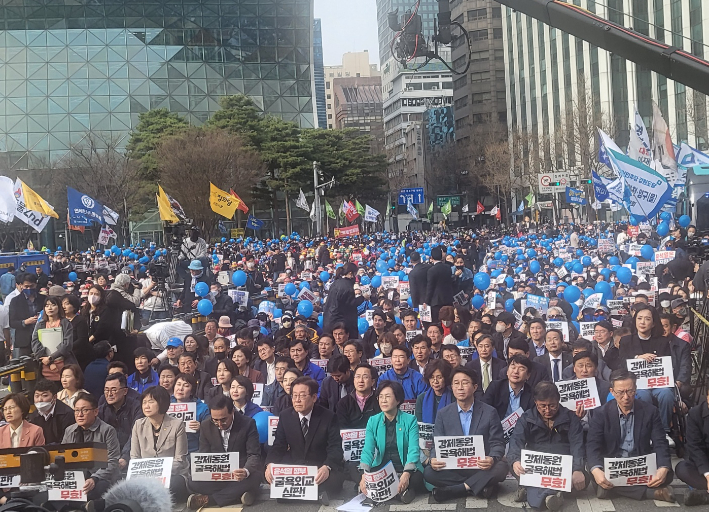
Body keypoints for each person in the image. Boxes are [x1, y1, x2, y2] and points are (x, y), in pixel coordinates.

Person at [586, 370, 675, 502]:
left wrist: (663, 468)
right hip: (614, 464)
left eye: (630, 391)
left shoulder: (650, 411)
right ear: (612, 391)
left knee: (667, 474)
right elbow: (592, 444)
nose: (626, 397)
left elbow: (660, 442)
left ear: (636, 389)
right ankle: (652, 493)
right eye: (620, 392)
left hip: (640, 463)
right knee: (593, 471)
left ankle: (610, 490)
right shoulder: (601, 413)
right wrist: (597, 470)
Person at [423, 367, 509, 501]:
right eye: (456, 383)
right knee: (429, 472)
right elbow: (437, 443)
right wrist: (434, 458)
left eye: (465, 383)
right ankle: (479, 486)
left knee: (501, 467)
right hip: (453, 467)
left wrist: (492, 458)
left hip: (481, 467)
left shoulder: (489, 412)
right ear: (451, 387)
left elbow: (498, 442)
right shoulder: (443, 414)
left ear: (475, 387)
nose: (460, 387)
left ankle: (458, 489)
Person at [507, 381, 588, 511]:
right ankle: (551, 496)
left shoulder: (570, 417)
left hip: (563, 467)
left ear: (558, 400)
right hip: (535, 467)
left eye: (552, 405)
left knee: (583, 478)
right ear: (535, 402)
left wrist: (577, 469)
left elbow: (577, 444)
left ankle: (530, 490)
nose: (548, 410)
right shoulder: (527, 417)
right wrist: (515, 461)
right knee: (512, 464)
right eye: (542, 406)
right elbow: (516, 440)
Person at [265, 377, 344, 505]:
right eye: (294, 395)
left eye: (302, 395)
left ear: (314, 397)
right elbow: (278, 446)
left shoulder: (328, 417)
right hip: (297, 468)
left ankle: (308, 494)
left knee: (335, 481)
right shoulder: (285, 416)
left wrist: (327, 467)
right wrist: (270, 464)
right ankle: (316, 496)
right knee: (277, 488)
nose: (297, 400)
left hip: (319, 467)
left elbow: (335, 448)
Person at [186, 395, 263, 510]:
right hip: (216, 475)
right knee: (192, 481)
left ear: (232, 412)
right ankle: (239, 495)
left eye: (223, 420)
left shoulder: (247, 424)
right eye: (215, 420)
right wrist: (204, 471)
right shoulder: (206, 425)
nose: (220, 424)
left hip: (239, 474)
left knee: (255, 477)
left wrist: (245, 471)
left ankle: (209, 500)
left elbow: (254, 454)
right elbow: (204, 454)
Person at [358, 380, 426, 504]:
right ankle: (401, 494)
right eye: (381, 397)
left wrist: (406, 473)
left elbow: (413, 449)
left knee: (417, 478)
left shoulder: (410, 420)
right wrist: (365, 474)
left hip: (404, 466)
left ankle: (393, 491)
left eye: (388, 397)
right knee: (359, 473)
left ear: (398, 400)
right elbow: (368, 450)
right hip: (383, 468)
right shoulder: (373, 421)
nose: (383, 400)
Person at [618, 304, 675, 444]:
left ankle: (664, 431)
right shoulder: (626, 341)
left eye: (647, 319)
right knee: (642, 395)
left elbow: (667, 364)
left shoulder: (662, 341)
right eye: (640, 318)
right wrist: (637, 358)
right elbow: (621, 365)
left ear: (654, 323)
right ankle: (647, 431)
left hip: (657, 383)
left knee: (666, 393)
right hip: (637, 383)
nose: (642, 322)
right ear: (635, 320)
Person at [131, 386, 189, 502]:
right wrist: (149, 474)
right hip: (146, 476)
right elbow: (135, 457)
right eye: (144, 402)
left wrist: (160, 472)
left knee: (175, 484)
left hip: (171, 474)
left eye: (151, 402)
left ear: (162, 403)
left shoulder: (177, 425)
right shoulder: (138, 425)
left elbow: (180, 460)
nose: (146, 406)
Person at [61, 392, 121, 502]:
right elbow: (63, 458)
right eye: (77, 410)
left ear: (96, 411)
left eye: (84, 410)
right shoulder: (69, 431)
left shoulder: (107, 431)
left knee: (99, 488)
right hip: (77, 479)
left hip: (101, 478)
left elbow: (112, 461)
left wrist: (94, 478)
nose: (80, 414)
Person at [98, 372, 143, 470]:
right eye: (106, 390)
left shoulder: (136, 407)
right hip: (107, 458)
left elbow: (135, 435)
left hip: (132, 456)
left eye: (114, 390)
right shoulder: (101, 410)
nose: (109, 394)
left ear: (125, 391)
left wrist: (125, 457)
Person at [31, 296, 77, 388]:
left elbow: (67, 344)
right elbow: (35, 343)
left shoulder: (65, 323)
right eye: (47, 305)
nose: (50, 308)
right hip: (45, 365)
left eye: (53, 305)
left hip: (63, 365)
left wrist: (51, 357)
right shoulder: (40, 324)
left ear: (59, 307)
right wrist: (49, 362)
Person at [674, 389, 709, 506]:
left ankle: (705, 496)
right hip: (705, 464)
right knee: (682, 468)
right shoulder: (696, 414)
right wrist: (708, 475)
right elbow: (695, 447)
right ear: (708, 397)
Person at [483, 355, 535, 421]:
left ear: (528, 375)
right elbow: (485, 411)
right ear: (507, 371)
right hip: (497, 428)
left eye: (521, 369)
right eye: (513, 367)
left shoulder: (532, 393)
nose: (516, 371)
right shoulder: (495, 387)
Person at [9, 273, 46, 358]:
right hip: (24, 340)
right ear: (21, 285)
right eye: (26, 286)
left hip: (42, 338)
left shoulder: (43, 299)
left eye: (31, 286)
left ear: (36, 284)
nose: (29, 289)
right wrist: (25, 322)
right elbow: (12, 322)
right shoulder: (15, 301)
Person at [28, 379, 76, 444]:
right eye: (37, 396)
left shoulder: (67, 414)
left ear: (54, 397)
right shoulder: (34, 415)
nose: (40, 400)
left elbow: (66, 441)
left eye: (45, 396)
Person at [171, 373, 210, 453]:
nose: (180, 388)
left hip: (193, 450)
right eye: (178, 384)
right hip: (170, 451)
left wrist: (201, 427)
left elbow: (211, 431)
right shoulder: (165, 406)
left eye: (185, 385)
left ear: (192, 391)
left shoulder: (203, 408)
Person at [336, 363, 381, 430]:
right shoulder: (344, 403)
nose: (361, 381)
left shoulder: (379, 400)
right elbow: (342, 428)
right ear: (354, 380)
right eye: (358, 376)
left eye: (365, 377)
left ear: (372, 382)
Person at [323, 262, 358, 340]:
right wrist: (361, 298)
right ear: (351, 273)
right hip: (340, 324)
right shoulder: (347, 286)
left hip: (329, 320)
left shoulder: (336, 283)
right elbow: (350, 306)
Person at [415, 359, 454, 424]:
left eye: (439, 377)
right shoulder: (421, 398)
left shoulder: (454, 397)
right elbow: (419, 424)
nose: (435, 381)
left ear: (446, 378)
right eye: (432, 377)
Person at [424, 246, 454, 323]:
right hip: (448, 298)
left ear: (432, 257)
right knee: (448, 320)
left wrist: (427, 301)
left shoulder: (431, 270)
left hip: (436, 300)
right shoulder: (448, 267)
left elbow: (430, 287)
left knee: (438, 321)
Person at [61, 294, 91, 370]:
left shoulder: (80, 320)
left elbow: (82, 340)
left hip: (78, 356)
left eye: (67, 304)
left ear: (74, 306)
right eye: (62, 304)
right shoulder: (61, 321)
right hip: (63, 355)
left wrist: (67, 347)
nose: (63, 307)